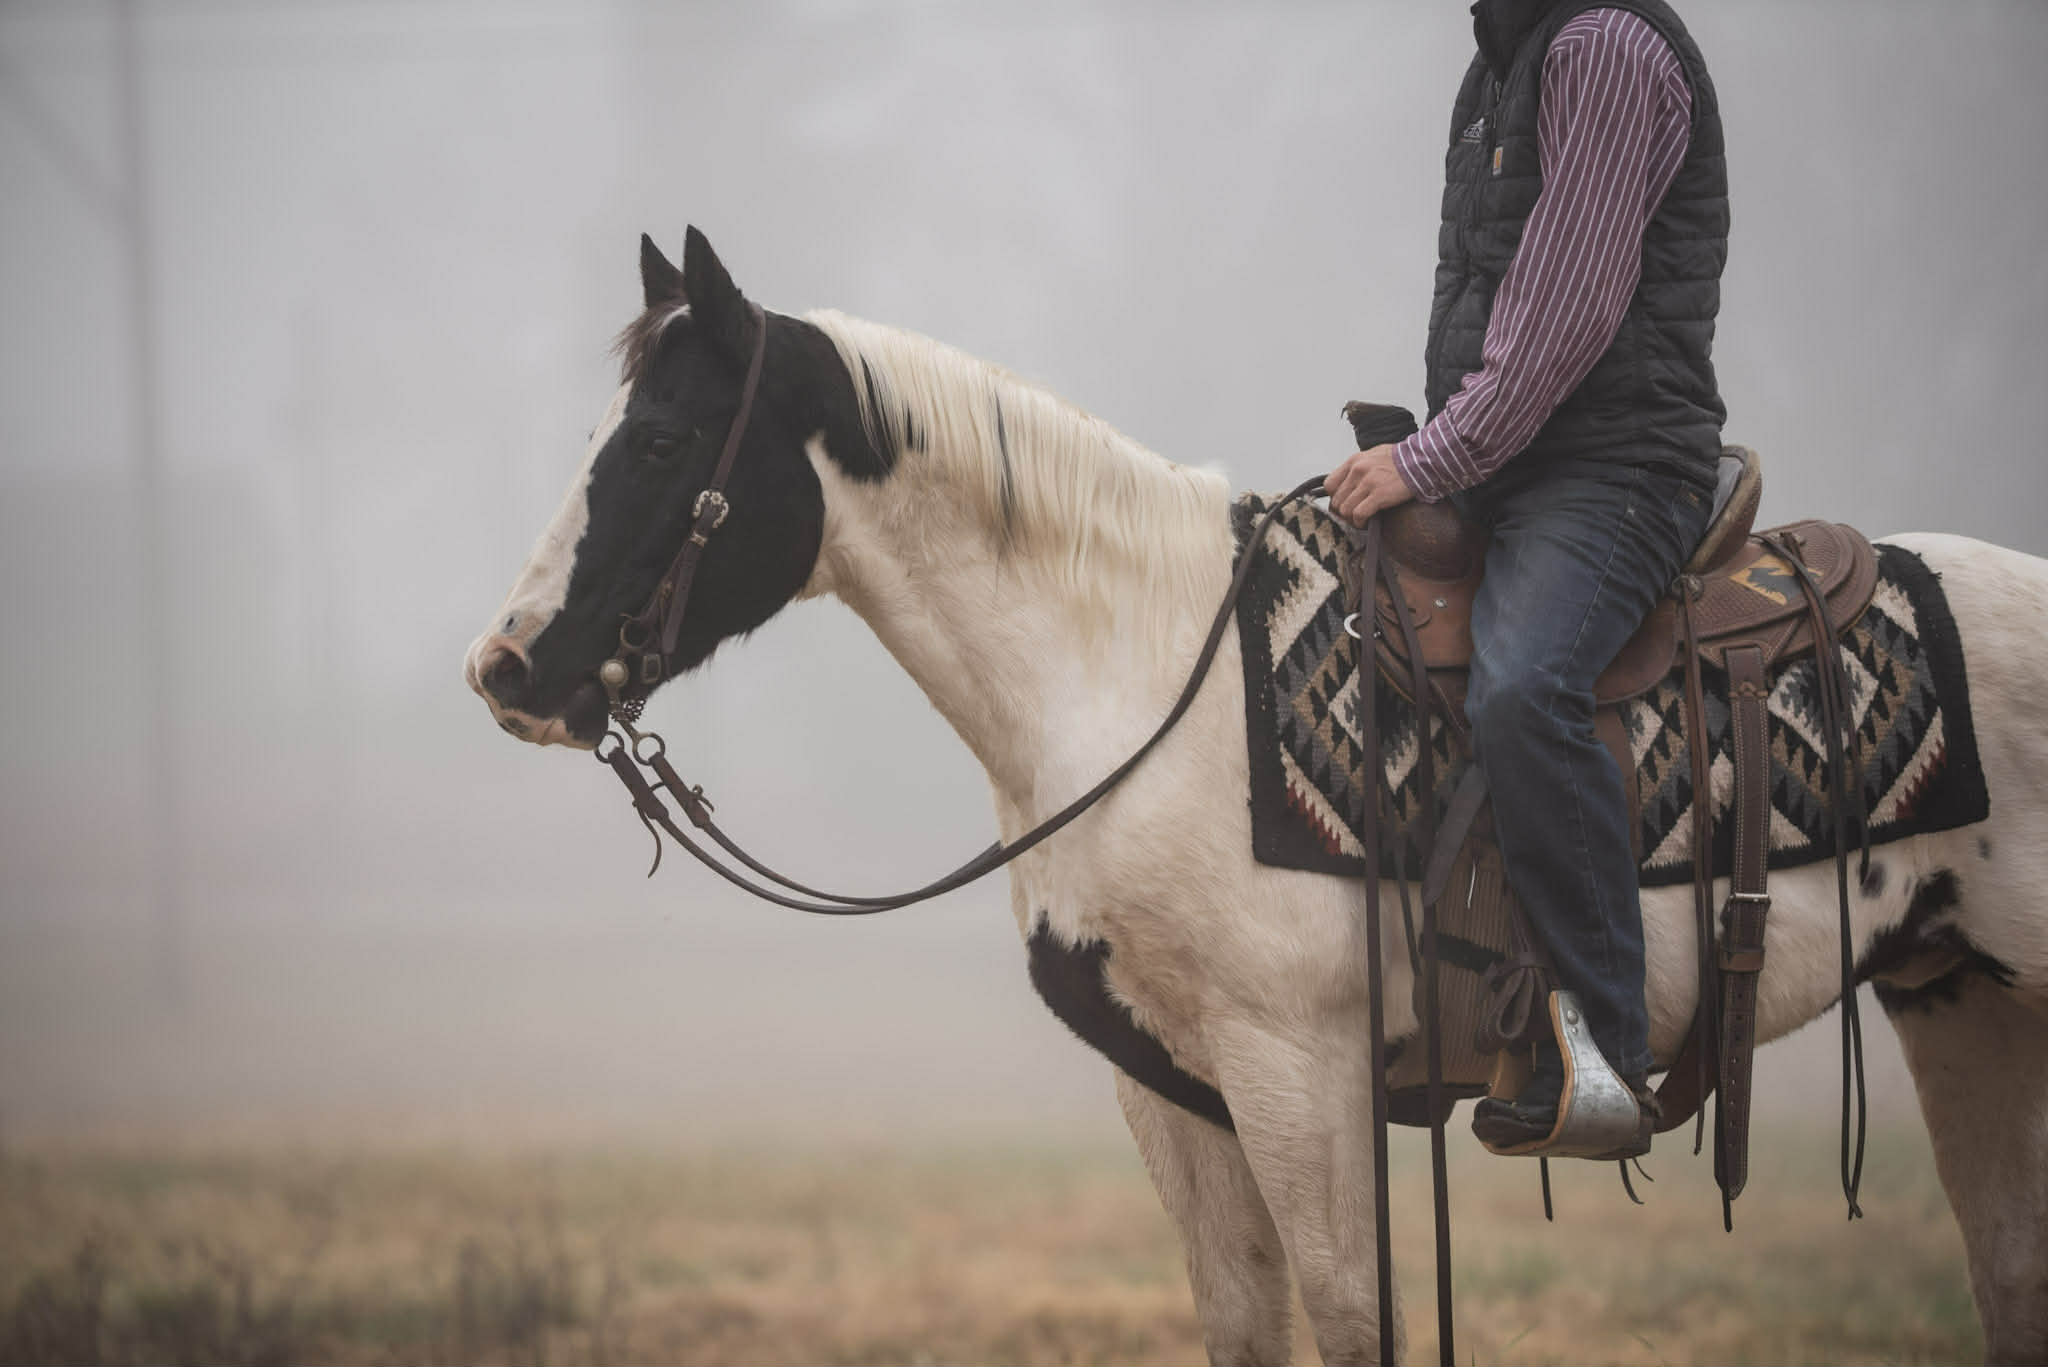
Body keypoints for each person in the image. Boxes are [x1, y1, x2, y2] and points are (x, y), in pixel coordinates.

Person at [1326, 0, 1726, 1153]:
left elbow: (1564, 309)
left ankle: (1605, 1050)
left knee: (1521, 681)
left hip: (1614, 468)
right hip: (1518, 459)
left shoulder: (1602, 50)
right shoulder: (1503, 60)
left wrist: (1427, 456)